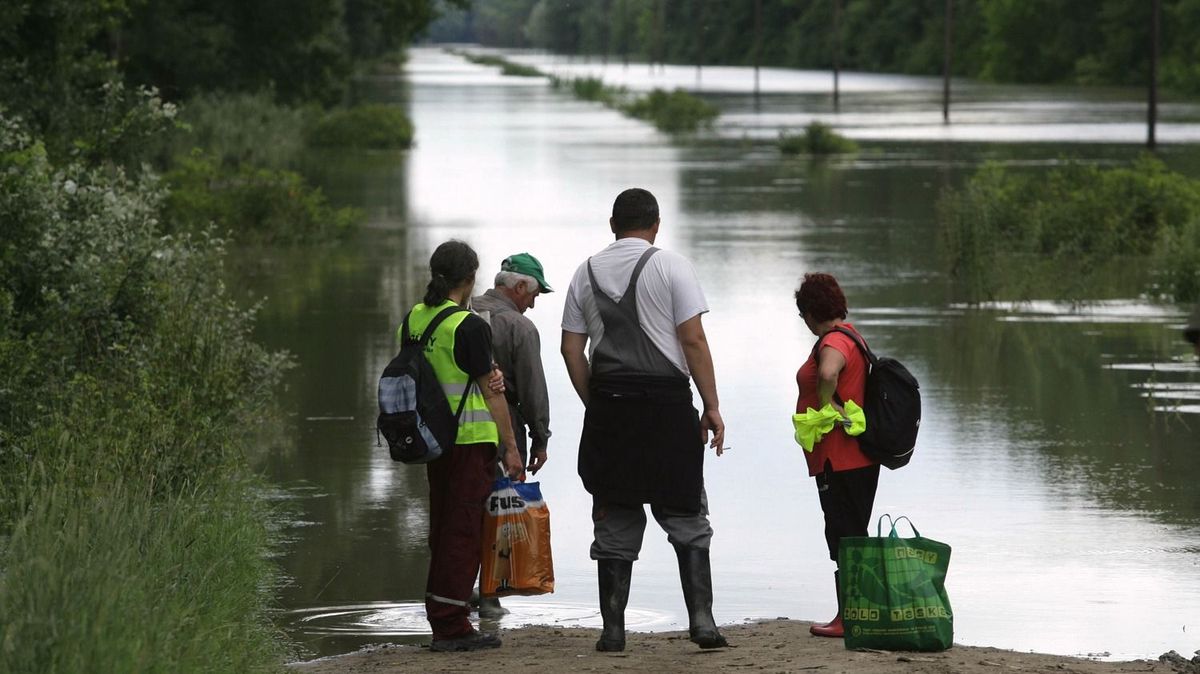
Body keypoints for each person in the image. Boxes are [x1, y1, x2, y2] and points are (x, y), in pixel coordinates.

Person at [560, 187, 728, 652]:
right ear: (655, 225)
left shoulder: (583, 273)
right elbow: (692, 340)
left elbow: (571, 350)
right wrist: (711, 405)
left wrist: (595, 404)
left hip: (611, 406)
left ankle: (613, 632)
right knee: (685, 509)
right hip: (667, 407)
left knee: (615, 511)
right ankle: (703, 624)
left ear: (612, 225)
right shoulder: (672, 265)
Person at [401, 240, 523, 652]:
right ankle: (451, 626)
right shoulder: (469, 325)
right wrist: (511, 447)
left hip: (432, 440)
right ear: (470, 279)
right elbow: (492, 395)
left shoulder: (415, 318)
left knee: (442, 527)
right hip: (470, 441)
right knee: (464, 532)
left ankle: (442, 612)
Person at [793, 272, 880, 639]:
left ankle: (850, 618)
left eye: (802, 314)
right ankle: (857, 613)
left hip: (841, 459)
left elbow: (828, 371)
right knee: (851, 534)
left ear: (813, 311)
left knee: (845, 536)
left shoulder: (834, 340)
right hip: (854, 458)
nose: (802, 321)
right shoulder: (852, 334)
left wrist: (828, 406)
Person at [469, 252, 554, 618]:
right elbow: (534, 388)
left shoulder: (464, 311)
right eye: (533, 295)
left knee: (465, 510)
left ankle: (459, 592)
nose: (533, 305)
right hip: (503, 430)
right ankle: (489, 595)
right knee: (499, 511)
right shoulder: (519, 327)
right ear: (519, 286)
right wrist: (540, 438)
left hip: (457, 430)